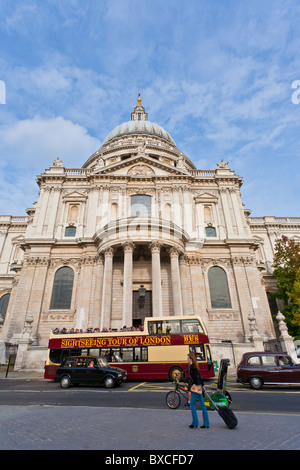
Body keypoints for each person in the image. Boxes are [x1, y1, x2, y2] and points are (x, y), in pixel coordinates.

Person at [187, 353, 210, 429]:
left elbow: (196, 379)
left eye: (187, 358)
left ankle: (195, 423)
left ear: (191, 359)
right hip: (199, 386)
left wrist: (194, 386)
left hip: (197, 387)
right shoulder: (194, 367)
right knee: (202, 404)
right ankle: (206, 423)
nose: (186, 359)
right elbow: (199, 377)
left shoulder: (192, 367)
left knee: (192, 404)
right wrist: (202, 385)